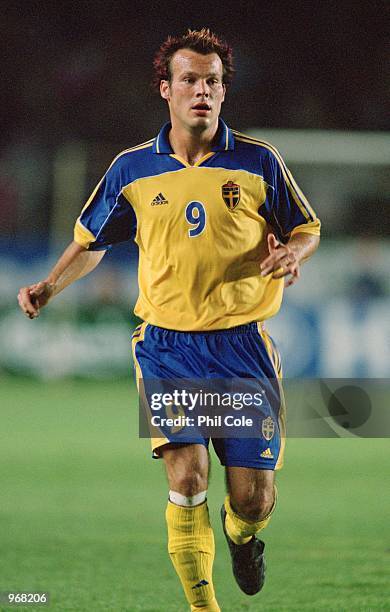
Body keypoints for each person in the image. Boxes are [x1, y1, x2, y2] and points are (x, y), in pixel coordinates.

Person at [18, 28, 320, 612]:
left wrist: (293, 252)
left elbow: (307, 227)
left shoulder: (259, 162)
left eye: (212, 82)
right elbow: (91, 239)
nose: (201, 91)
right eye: (190, 80)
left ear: (223, 93)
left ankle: (242, 537)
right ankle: (203, 609)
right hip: (167, 346)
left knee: (252, 500)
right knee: (185, 481)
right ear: (167, 89)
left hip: (242, 348)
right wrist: (49, 286)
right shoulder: (133, 169)